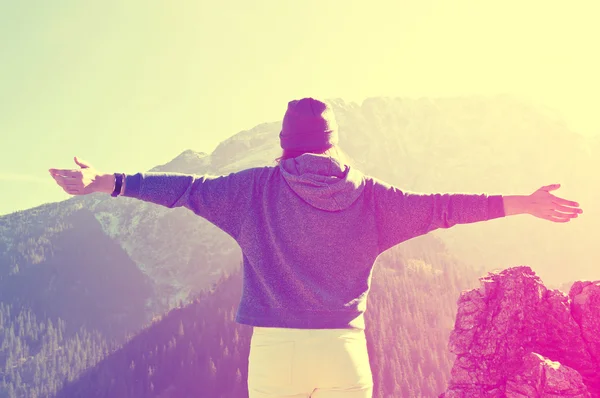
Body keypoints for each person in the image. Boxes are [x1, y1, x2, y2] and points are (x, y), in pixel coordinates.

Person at [48, 97, 583, 398]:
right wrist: (524, 202)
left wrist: (106, 181)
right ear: (332, 144)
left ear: (284, 143)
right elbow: (443, 207)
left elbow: (183, 189)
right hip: (342, 354)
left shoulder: (251, 190)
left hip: (274, 355)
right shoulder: (372, 198)